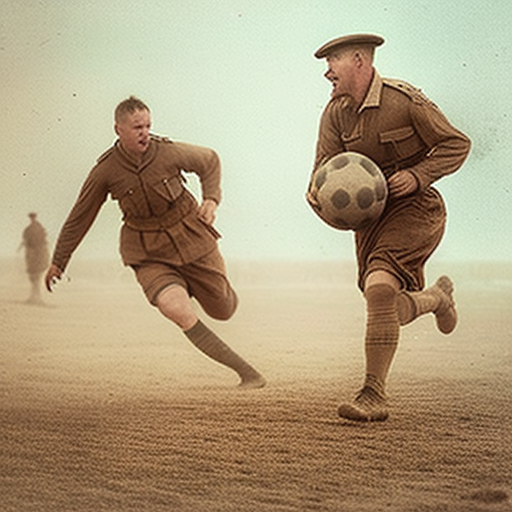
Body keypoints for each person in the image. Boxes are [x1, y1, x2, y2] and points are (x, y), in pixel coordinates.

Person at [45, 96, 265, 389]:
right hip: (148, 252)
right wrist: (59, 260)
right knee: (175, 308)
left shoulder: (167, 152)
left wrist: (211, 199)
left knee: (223, 310)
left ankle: (200, 287)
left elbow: (209, 160)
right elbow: (80, 216)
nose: (144, 132)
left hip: (193, 239)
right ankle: (247, 373)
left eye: (148, 125)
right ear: (118, 129)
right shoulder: (106, 170)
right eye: (137, 127)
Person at [307, 34, 471, 421]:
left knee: (379, 289)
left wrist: (417, 175)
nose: (327, 72)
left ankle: (373, 394)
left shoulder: (404, 101)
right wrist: (318, 197)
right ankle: (436, 299)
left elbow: (456, 144)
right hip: (370, 223)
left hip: (416, 209)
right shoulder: (335, 113)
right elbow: (322, 171)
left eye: (333, 62)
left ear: (360, 61)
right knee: (387, 305)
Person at [19, 212, 50, 304]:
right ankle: (34, 296)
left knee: (36, 276)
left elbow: (42, 241)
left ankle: (36, 297)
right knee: (34, 277)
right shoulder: (30, 229)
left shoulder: (38, 229)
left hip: (37, 255)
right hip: (33, 255)